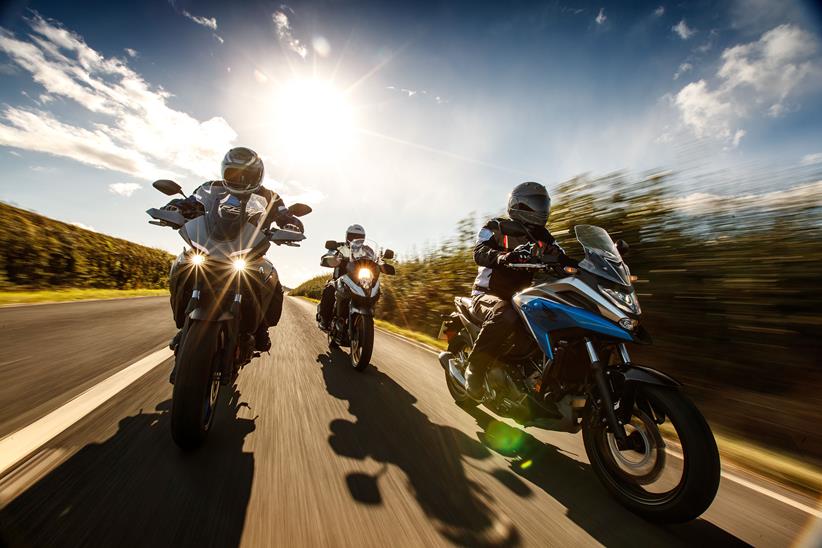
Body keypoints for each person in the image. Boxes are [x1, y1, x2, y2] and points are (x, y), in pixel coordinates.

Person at [163, 147, 304, 353]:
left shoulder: (270, 197)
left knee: (272, 280)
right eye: (234, 173)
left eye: (247, 174)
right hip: (209, 245)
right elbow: (190, 201)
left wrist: (292, 225)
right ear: (225, 172)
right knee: (182, 264)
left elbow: (284, 215)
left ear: (259, 176)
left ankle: (260, 329)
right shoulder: (210, 189)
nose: (241, 178)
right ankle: (186, 325)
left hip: (247, 252)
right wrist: (174, 207)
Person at [464, 181, 564, 400]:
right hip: (487, 294)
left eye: (543, 204)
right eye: (536, 204)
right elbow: (479, 252)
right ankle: (475, 368)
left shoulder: (544, 237)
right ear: (520, 205)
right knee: (505, 314)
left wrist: (585, 265)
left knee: (555, 316)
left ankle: (530, 375)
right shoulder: (497, 227)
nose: (542, 209)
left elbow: (561, 256)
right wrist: (503, 256)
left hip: (522, 298)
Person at [317, 224, 366, 330]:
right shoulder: (339, 247)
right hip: (340, 279)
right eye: (352, 236)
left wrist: (381, 263)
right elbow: (329, 254)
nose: (355, 240)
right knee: (329, 289)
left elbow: (376, 260)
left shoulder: (366, 250)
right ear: (347, 236)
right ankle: (324, 320)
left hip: (358, 281)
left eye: (359, 237)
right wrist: (331, 259)